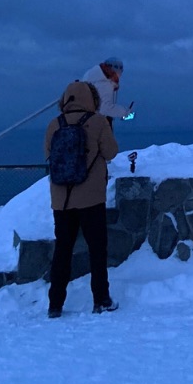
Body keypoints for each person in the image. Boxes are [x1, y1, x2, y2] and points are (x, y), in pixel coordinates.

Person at [44, 79, 120, 318]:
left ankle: (55, 304)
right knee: (97, 250)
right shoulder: (97, 122)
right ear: (92, 98)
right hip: (91, 198)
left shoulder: (54, 124)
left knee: (62, 251)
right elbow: (111, 152)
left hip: (61, 200)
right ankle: (101, 299)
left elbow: (49, 155)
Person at [81, 56, 134, 129]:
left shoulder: (91, 76)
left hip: (83, 121)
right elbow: (105, 108)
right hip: (96, 124)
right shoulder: (105, 84)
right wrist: (126, 112)